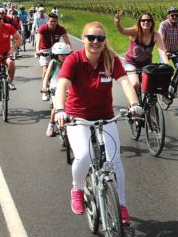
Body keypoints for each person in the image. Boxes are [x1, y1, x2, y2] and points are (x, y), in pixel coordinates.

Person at [52, 22, 142, 226]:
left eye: (100, 38)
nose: (95, 42)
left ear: (104, 41)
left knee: (115, 160)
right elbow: (62, 84)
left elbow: (125, 82)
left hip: (105, 117)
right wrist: (59, 109)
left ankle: (121, 205)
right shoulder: (74, 60)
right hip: (78, 118)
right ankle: (77, 188)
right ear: (83, 38)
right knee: (84, 155)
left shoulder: (110, 60)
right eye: (91, 38)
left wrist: (134, 104)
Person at [114, 10, 167, 90]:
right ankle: (134, 101)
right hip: (131, 63)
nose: (146, 22)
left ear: (152, 22)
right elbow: (123, 31)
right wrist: (118, 23)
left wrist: (166, 63)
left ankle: (150, 101)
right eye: (143, 20)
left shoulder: (156, 35)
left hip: (146, 64)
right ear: (140, 22)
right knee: (135, 84)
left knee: (151, 84)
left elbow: (162, 50)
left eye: (149, 20)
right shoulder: (135, 31)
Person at [36, 12, 72, 94]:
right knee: (45, 70)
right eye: (51, 21)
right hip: (44, 50)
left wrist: (70, 50)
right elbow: (39, 40)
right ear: (47, 21)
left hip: (56, 50)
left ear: (57, 21)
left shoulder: (61, 29)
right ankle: (45, 88)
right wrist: (38, 51)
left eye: (55, 21)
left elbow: (67, 41)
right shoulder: (43, 28)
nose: (53, 23)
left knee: (62, 67)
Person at [42, 42, 71, 136]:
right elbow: (46, 76)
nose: (64, 57)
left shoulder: (69, 63)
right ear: (55, 55)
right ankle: (51, 124)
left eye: (65, 54)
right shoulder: (53, 63)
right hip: (55, 88)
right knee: (57, 107)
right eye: (61, 55)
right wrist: (44, 86)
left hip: (67, 88)